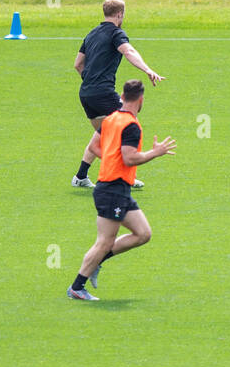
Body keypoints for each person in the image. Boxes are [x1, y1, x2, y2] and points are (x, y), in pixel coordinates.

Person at [67, 79, 175, 301]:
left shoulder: (110, 119)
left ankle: (97, 263)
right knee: (105, 241)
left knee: (143, 234)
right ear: (141, 99)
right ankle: (77, 287)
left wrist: (111, 158)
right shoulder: (131, 126)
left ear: (122, 96)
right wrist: (155, 153)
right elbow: (130, 158)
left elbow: (94, 147)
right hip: (112, 189)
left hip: (117, 188)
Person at [72, 0, 165, 188]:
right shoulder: (116, 33)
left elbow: (78, 64)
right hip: (103, 92)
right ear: (120, 14)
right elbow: (129, 51)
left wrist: (90, 81)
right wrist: (147, 69)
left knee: (103, 134)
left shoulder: (91, 34)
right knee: (129, 125)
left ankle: (81, 176)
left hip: (86, 93)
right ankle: (125, 176)